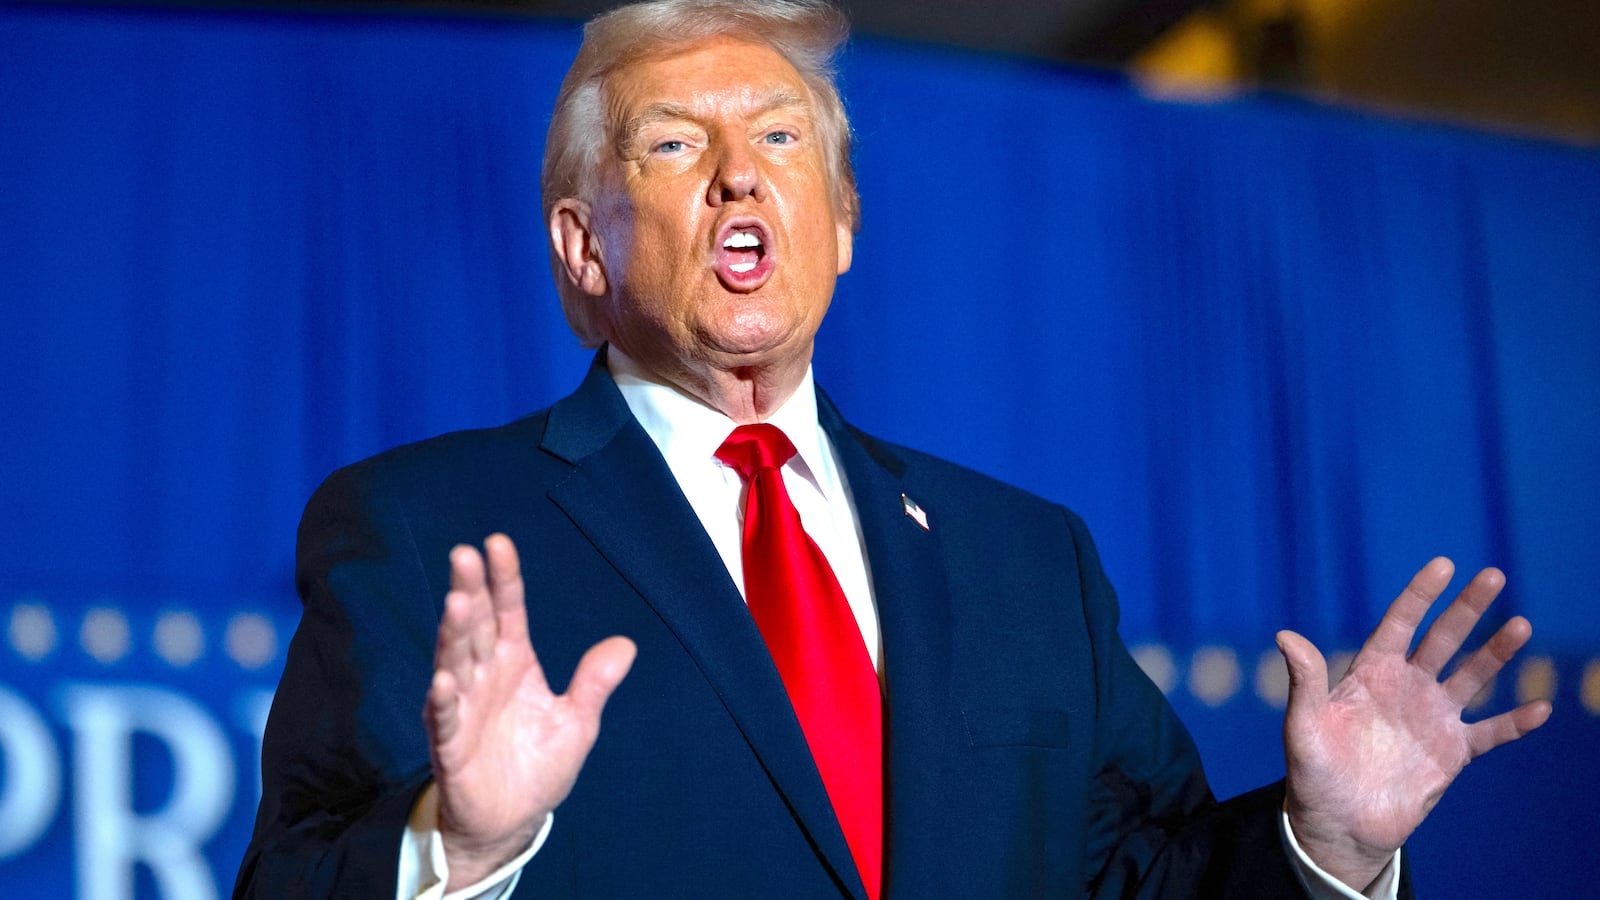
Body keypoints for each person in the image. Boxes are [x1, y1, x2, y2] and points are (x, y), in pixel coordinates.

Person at [235, 1, 1551, 897]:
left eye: (782, 139)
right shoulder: (426, 527)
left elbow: (1138, 880)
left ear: (844, 220)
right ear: (585, 253)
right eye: (676, 146)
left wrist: (1318, 843)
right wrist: (457, 848)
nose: (740, 177)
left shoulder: (1024, 559)